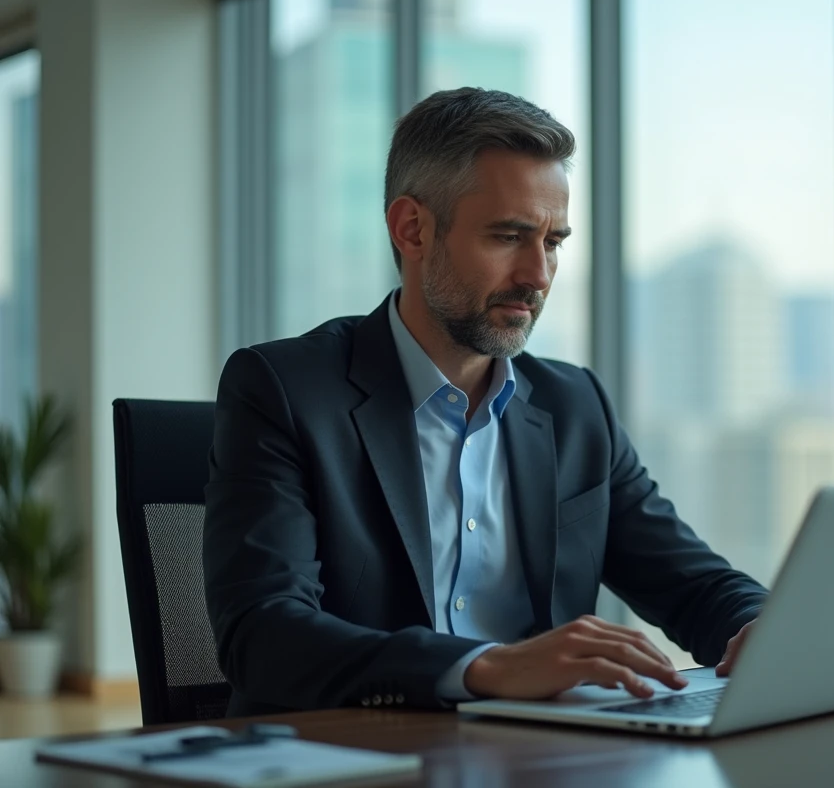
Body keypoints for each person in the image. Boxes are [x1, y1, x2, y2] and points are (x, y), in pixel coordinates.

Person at [204, 88, 768, 717]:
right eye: (508, 236)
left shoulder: (575, 406)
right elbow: (263, 635)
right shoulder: (285, 391)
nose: (538, 274)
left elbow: (694, 585)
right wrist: (483, 668)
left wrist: (764, 627)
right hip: (358, 757)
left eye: (553, 242)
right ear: (412, 229)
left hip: (537, 760)